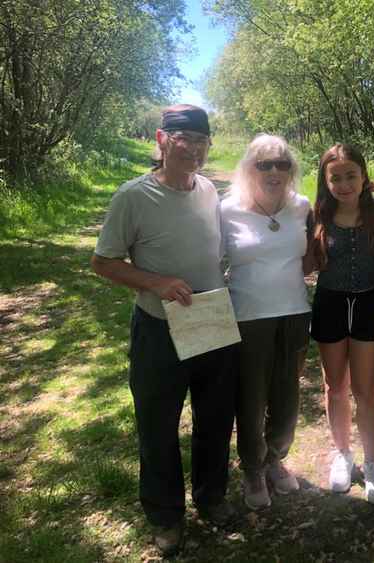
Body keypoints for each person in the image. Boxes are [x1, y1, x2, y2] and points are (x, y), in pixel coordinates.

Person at [91, 105, 236, 556]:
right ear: (161, 139)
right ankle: (165, 516)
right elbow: (102, 261)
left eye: (201, 140)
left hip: (209, 319)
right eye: (183, 138)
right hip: (158, 328)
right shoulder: (133, 197)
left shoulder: (210, 189)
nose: (193, 148)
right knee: (157, 426)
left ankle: (211, 498)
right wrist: (157, 283)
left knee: (215, 419)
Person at [221, 134, 313, 510]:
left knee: (287, 395)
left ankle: (275, 458)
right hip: (247, 316)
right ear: (249, 168)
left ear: (291, 170)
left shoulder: (301, 206)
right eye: (265, 164)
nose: (274, 171)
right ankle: (252, 469)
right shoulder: (227, 209)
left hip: (293, 312)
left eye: (282, 164)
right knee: (252, 396)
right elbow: (210, 261)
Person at [309, 143, 374, 503]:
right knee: (335, 387)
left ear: (363, 177)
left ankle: (371, 461)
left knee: (365, 390)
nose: (344, 184)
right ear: (325, 181)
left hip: (367, 303)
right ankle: (342, 454)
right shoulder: (317, 213)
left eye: (351, 175)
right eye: (336, 177)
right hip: (329, 303)